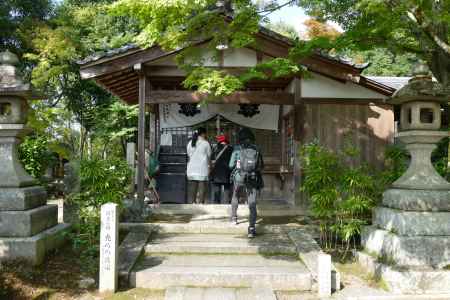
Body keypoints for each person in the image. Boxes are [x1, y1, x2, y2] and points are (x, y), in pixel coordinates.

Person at [229, 128, 264, 238]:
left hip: (239, 177)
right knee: (252, 203)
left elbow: (230, 165)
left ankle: (234, 218)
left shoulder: (237, 149)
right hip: (252, 178)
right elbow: (261, 166)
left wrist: (238, 165)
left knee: (235, 196)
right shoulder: (256, 148)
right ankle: (252, 228)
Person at [187, 127, 211, 204]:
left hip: (191, 168)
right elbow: (209, 155)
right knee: (201, 187)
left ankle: (192, 203)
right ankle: (200, 203)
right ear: (203, 134)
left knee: (192, 188)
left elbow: (188, 155)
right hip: (202, 169)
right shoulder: (206, 143)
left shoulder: (190, 143)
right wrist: (209, 166)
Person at [210, 134, 233, 204]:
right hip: (227, 172)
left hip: (217, 173)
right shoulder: (231, 149)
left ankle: (216, 206)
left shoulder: (215, 148)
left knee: (216, 191)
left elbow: (211, 159)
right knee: (227, 190)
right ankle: (227, 205)